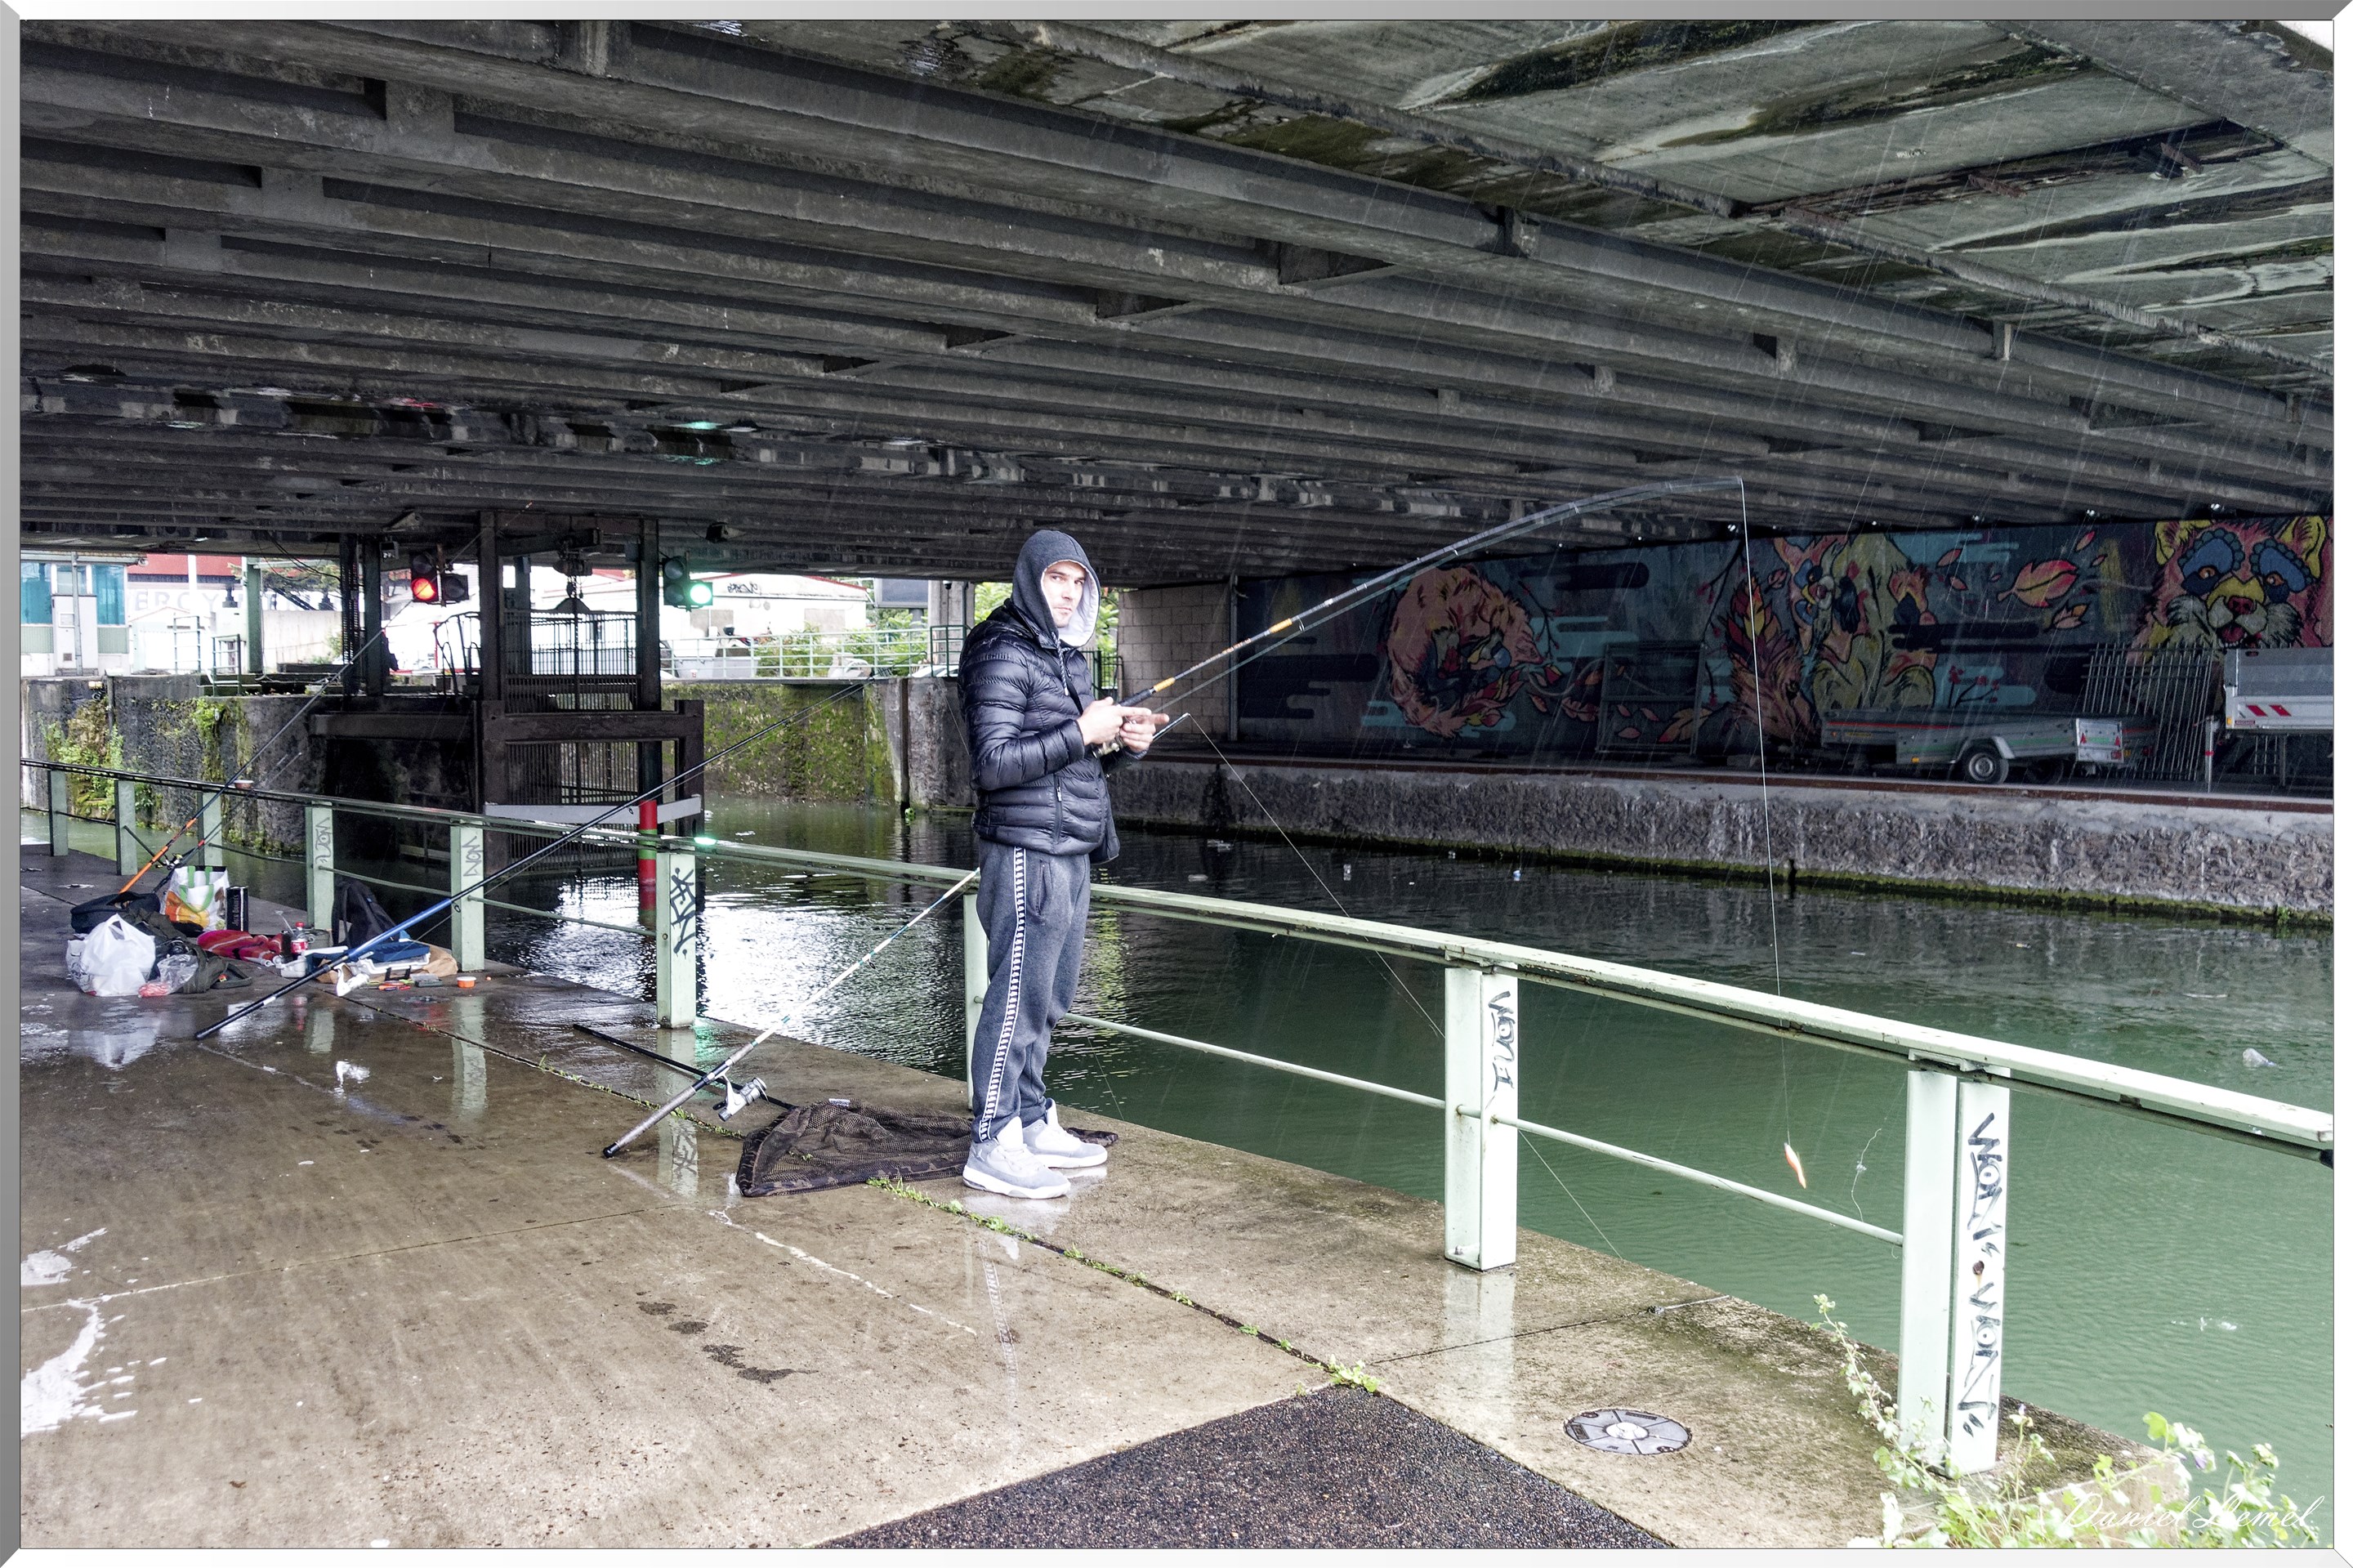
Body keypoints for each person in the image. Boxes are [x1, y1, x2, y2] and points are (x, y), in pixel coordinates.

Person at [958, 530, 1168, 1199]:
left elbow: (1073, 755)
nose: (1069, 592)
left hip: (1072, 843)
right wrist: (1083, 730)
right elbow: (993, 764)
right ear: (1029, 580)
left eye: (1079, 582)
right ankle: (992, 1139)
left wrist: (1122, 743)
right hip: (1026, 848)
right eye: (1057, 579)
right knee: (1017, 993)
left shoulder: (1068, 656)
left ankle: (1029, 1115)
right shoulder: (999, 647)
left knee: (1052, 995)